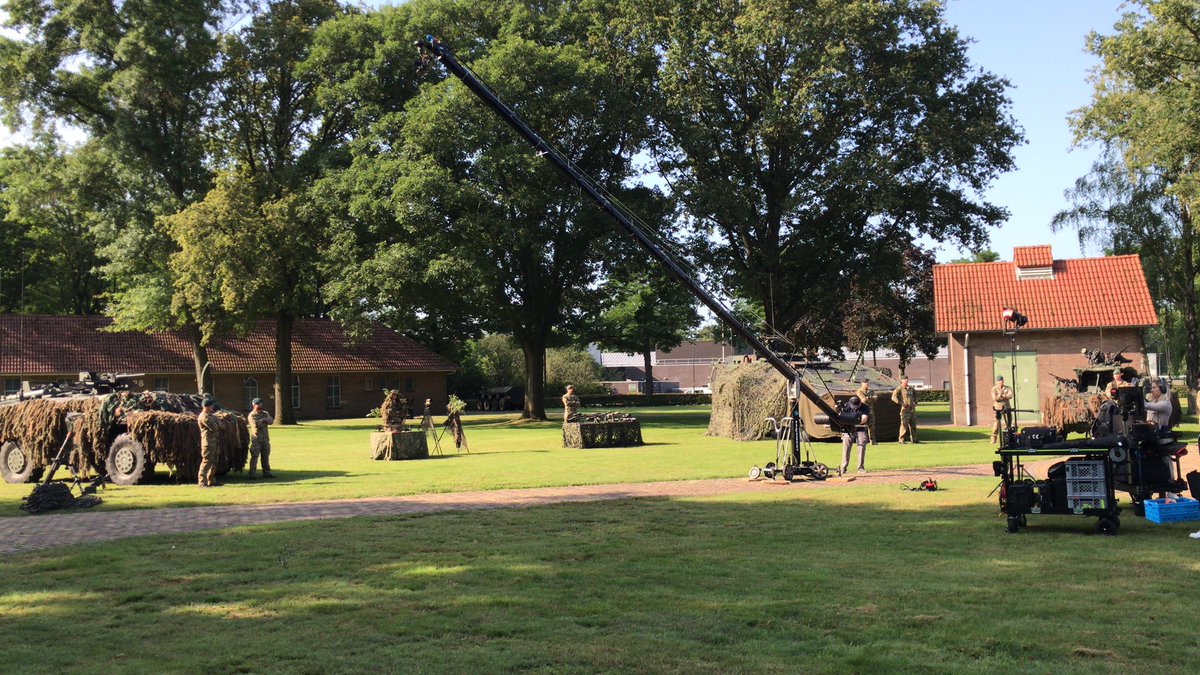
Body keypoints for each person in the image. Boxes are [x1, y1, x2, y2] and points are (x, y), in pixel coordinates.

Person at [838, 395, 870, 476]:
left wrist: (854, 422)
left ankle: (860, 468)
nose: (855, 407)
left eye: (857, 406)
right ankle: (843, 468)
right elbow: (841, 417)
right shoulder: (846, 406)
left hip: (860, 429)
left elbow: (864, 418)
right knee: (846, 448)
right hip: (848, 430)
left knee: (861, 447)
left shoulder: (865, 407)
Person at [247, 397, 274, 479]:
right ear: (254, 405)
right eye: (258, 404)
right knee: (255, 457)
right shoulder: (252, 415)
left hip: (265, 439)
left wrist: (263, 420)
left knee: (265, 456)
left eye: (261, 403)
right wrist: (264, 421)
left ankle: (267, 473)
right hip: (257, 440)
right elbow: (256, 425)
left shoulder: (265, 413)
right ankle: (252, 474)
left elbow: (271, 421)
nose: (260, 405)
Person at [197, 398, 220, 488]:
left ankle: (211, 480)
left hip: (214, 442)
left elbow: (220, 425)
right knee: (206, 462)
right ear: (206, 407)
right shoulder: (204, 417)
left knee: (214, 461)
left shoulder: (211, 416)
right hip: (208, 443)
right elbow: (214, 427)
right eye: (211, 405)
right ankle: (202, 482)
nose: (213, 407)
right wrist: (218, 424)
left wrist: (218, 424)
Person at [891, 376, 919, 443]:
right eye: (905, 379)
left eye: (907, 379)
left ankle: (914, 440)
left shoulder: (911, 388)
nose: (906, 380)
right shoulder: (899, 388)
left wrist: (916, 402)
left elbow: (916, 395)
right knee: (904, 425)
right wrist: (901, 403)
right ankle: (901, 440)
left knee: (913, 425)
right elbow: (893, 397)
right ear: (901, 380)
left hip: (912, 410)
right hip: (905, 410)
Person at [991, 376, 1013, 445]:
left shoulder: (1007, 388)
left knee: (1009, 423)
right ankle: (993, 438)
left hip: (1006, 407)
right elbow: (995, 398)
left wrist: (1002, 396)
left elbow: (1010, 395)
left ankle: (1009, 437)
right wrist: (1002, 396)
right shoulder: (994, 389)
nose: (1001, 382)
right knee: (996, 424)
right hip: (998, 408)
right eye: (1000, 381)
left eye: (1002, 381)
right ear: (997, 382)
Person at [855, 381, 877, 445]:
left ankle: (872, 441)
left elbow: (876, 398)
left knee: (872, 426)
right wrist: (870, 398)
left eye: (867, 383)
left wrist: (869, 398)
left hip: (870, 411)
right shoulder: (859, 391)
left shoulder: (871, 391)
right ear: (862, 384)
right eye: (865, 383)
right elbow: (863, 400)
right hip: (863, 411)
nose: (867, 384)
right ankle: (862, 440)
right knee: (862, 426)